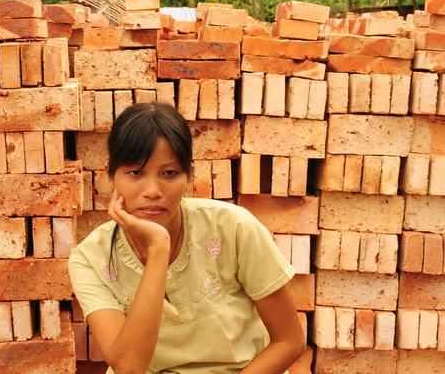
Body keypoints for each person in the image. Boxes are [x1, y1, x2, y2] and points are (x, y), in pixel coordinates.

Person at [68, 102, 305, 374]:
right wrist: (159, 248)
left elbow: (289, 341)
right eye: (136, 173)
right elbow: (128, 367)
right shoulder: (90, 258)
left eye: (169, 173)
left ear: (189, 175)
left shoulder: (234, 228)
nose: (153, 190)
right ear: (111, 177)